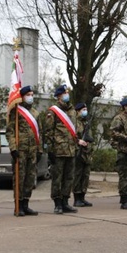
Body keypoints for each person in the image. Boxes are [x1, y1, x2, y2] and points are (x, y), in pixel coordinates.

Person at [6, 85, 42, 216]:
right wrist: (13, 148)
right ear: (22, 97)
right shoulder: (15, 112)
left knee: (30, 178)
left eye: (32, 95)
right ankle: (18, 205)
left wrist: (40, 150)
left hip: (32, 151)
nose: (31, 97)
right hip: (20, 150)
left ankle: (26, 203)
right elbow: (10, 132)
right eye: (28, 95)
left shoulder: (35, 114)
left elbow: (39, 133)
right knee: (19, 178)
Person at [44, 84, 79, 214]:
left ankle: (65, 201)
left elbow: (75, 130)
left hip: (70, 149)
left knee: (69, 177)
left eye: (67, 93)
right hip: (58, 150)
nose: (67, 95)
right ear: (59, 96)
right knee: (57, 178)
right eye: (65, 93)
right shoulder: (53, 111)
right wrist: (50, 150)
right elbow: (48, 132)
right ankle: (57, 203)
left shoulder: (72, 110)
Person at [72, 102, 94, 207]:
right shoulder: (74, 121)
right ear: (78, 111)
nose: (85, 111)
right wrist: (78, 141)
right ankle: (77, 198)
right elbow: (71, 135)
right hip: (78, 151)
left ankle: (82, 197)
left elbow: (90, 137)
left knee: (85, 176)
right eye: (83, 110)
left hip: (87, 152)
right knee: (78, 175)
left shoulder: (86, 123)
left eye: (86, 109)